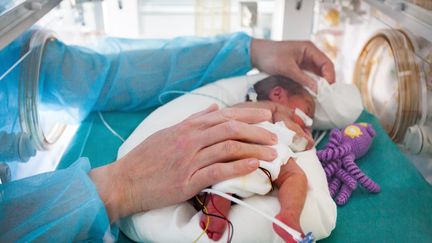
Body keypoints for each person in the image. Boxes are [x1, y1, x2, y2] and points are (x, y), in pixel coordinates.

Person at [0, 30, 334, 241]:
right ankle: (216, 209)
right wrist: (119, 187)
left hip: (268, 155)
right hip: (241, 148)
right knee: (219, 175)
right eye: (305, 112)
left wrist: (250, 51)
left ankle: (287, 216)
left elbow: (87, 75)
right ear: (276, 94)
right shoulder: (257, 106)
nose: (306, 120)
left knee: (293, 176)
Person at [199, 75, 315, 242]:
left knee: (227, 166)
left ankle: (221, 195)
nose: (308, 123)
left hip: (237, 143)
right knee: (294, 176)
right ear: (277, 94)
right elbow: (298, 139)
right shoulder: (276, 109)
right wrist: (306, 138)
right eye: (308, 112)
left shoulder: (238, 108)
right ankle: (289, 214)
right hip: (261, 139)